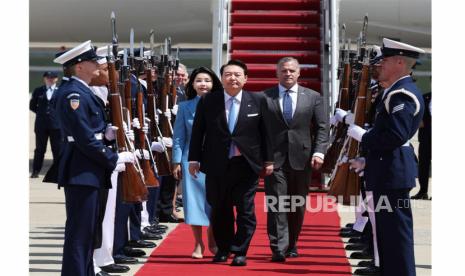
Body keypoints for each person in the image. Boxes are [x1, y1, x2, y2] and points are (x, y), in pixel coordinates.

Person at [53, 40, 134, 276]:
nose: (98, 64)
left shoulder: (82, 91)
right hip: (82, 170)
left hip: (89, 169)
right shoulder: (73, 94)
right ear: (79, 67)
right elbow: (83, 137)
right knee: (80, 232)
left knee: (89, 231)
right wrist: (112, 157)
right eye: (91, 61)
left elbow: (90, 130)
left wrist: (107, 136)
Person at [346, 38, 425, 276]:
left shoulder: (402, 94)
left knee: (396, 235)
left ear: (400, 62)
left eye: (386, 60)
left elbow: (395, 136)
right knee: (388, 235)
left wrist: (364, 137)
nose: (379, 65)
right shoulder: (395, 91)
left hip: (394, 173)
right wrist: (368, 160)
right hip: (388, 169)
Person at [188, 59, 273, 266]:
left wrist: (268, 160)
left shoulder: (258, 100)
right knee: (219, 209)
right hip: (216, 164)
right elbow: (199, 131)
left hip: (246, 164)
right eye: (228, 74)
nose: (232, 78)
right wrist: (193, 159)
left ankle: (240, 250)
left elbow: (267, 133)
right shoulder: (209, 101)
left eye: (237, 74)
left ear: (245, 78)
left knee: (245, 210)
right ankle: (223, 249)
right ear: (222, 78)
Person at [261, 57, 328, 262]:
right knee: (277, 203)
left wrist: (319, 152)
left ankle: (292, 243)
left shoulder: (313, 97)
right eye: (284, 70)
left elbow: (322, 128)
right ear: (277, 73)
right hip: (274, 160)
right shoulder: (264, 97)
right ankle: (278, 247)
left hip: (303, 158)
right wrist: (263, 157)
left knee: (296, 204)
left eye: (292, 70)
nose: (288, 73)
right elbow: (259, 129)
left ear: (298, 73)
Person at [172, 67, 222, 259]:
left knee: (214, 202)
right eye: (199, 80)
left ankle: (212, 239)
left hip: (215, 160)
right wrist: (176, 161)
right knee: (192, 203)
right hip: (190, 159)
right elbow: (179, 137)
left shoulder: (221, 105)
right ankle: (198, 242)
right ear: (192, 84)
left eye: (207, 80)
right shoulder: (185, 107)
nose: (203, 84)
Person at [29, 71, 62, 178]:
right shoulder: (38, 90)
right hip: (41, 125)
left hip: (56, 125)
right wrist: (42, 114)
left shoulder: (61, 91)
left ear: (56, 79)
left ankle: (58, 172)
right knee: (39, 149)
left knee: (57, 149)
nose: (50, 79)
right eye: (47, 77)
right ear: (44, 79)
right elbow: (32, 106)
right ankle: (35, 171)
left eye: (52, 77)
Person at [411, 91, 431, 200]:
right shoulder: (424, 97)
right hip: (425, 136)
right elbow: (419, 113)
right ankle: (423, 191)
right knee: (423, 163)